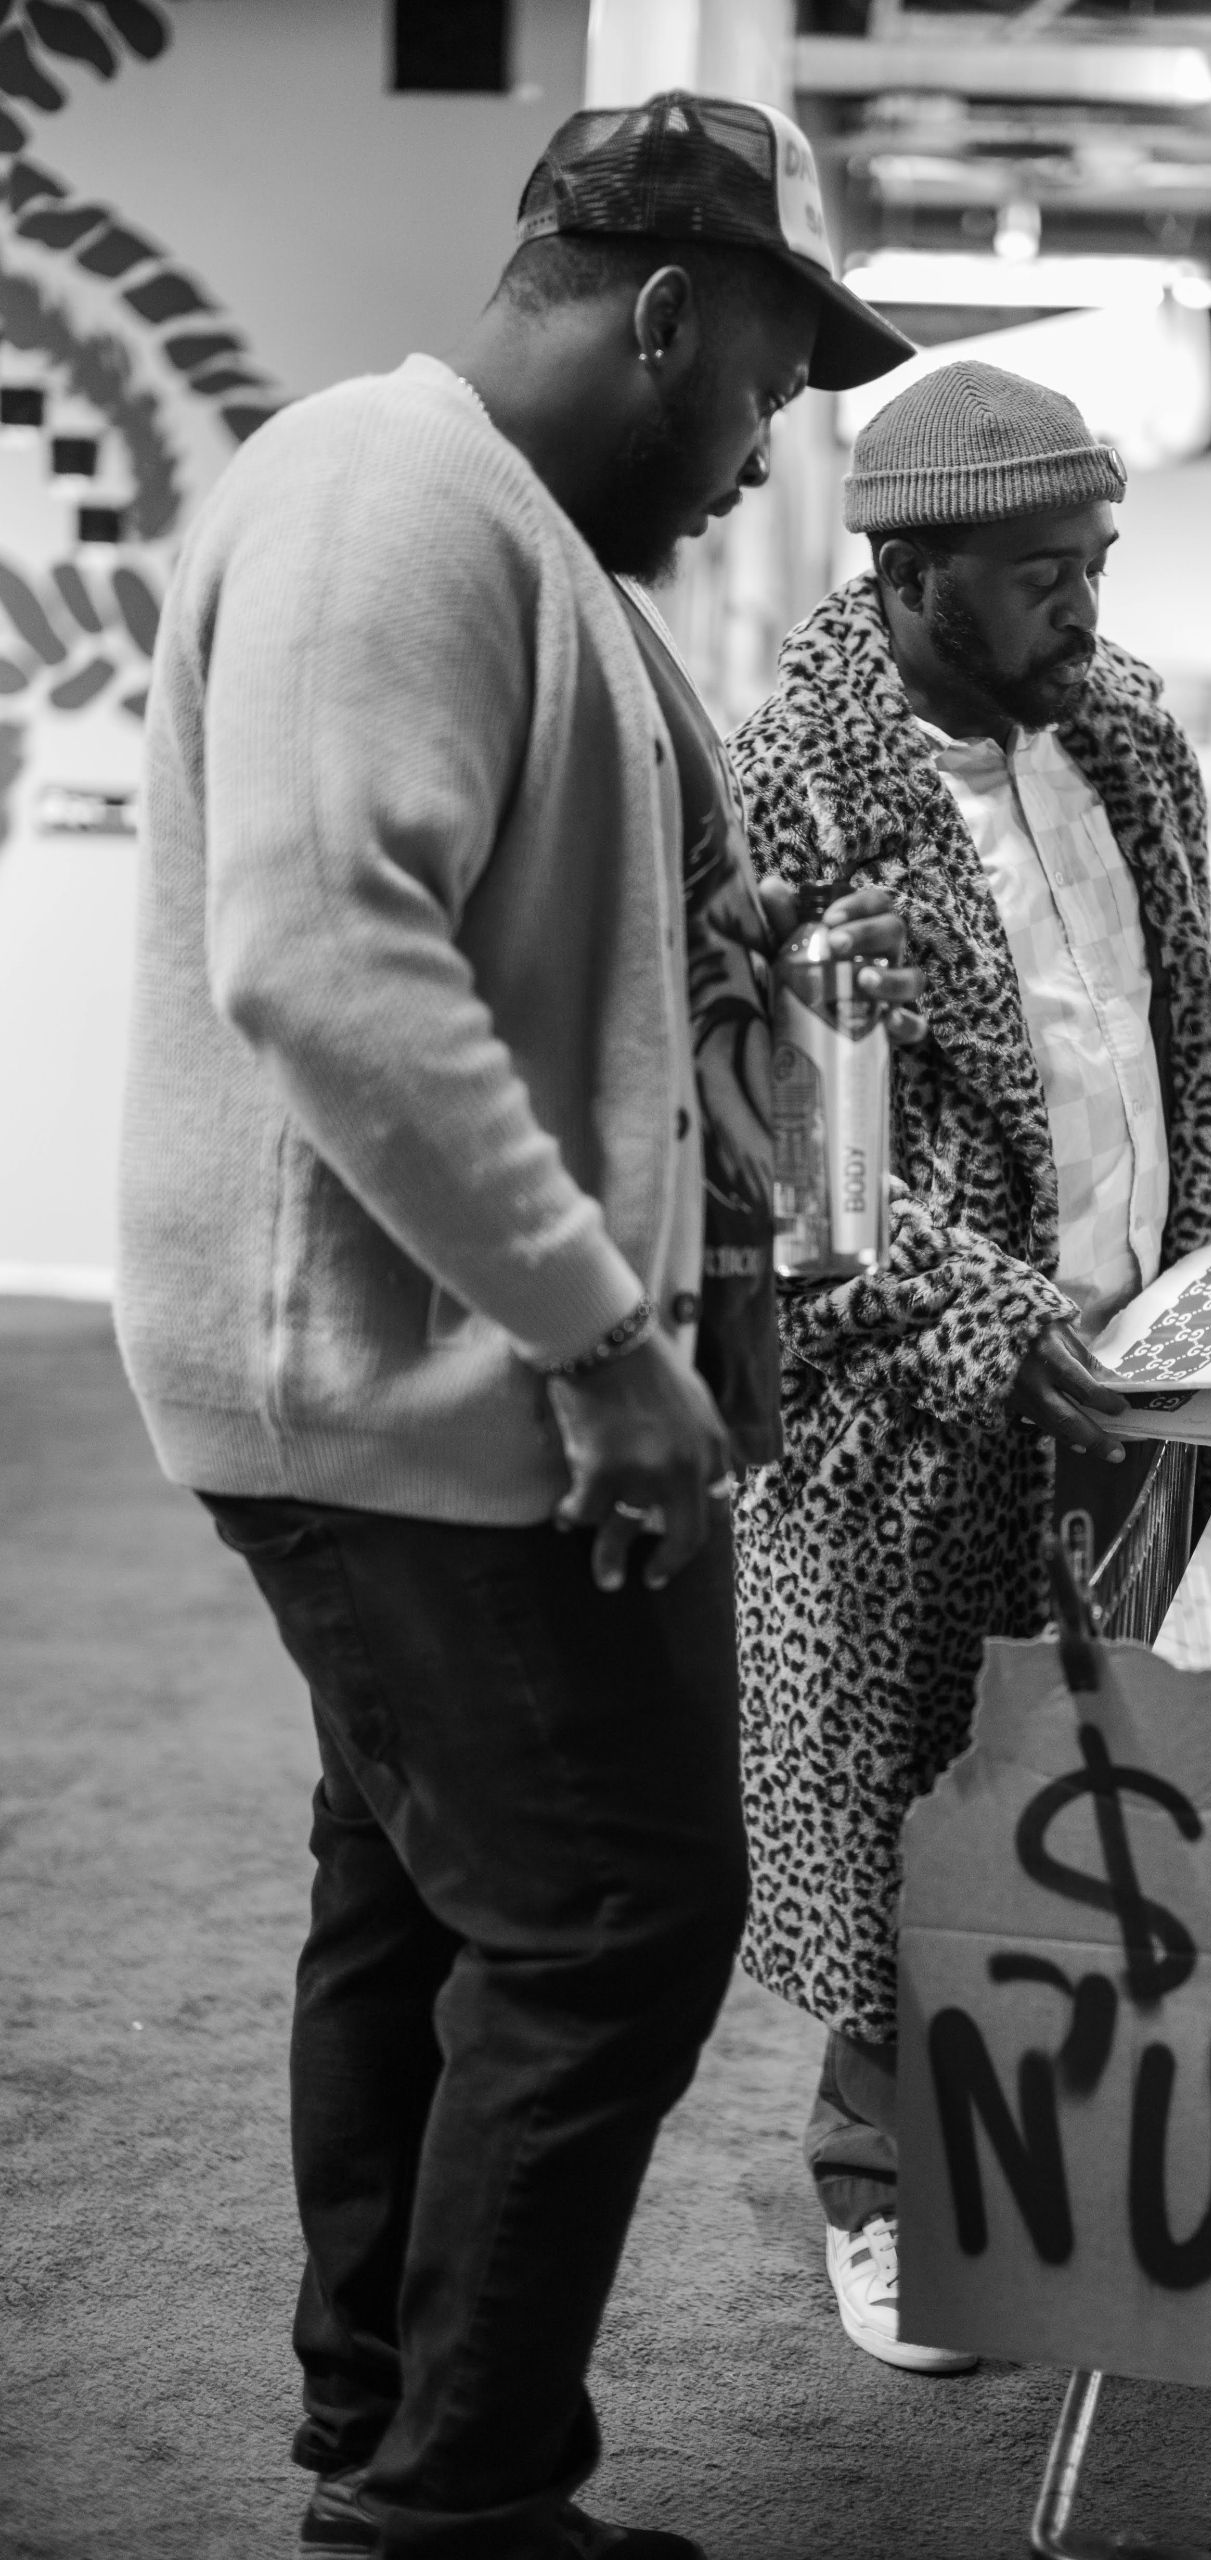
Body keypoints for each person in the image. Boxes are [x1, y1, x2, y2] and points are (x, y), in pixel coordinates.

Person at [115, 94, 914, 2560]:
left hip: (430, 1373)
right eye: (765, 384)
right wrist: (600, 1339)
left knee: (422, 1892)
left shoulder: (529, 547)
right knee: (618, 1910)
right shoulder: (392, 498)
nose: (764, 453)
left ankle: (388, 2419)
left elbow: (539, 933)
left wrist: (717, 1045)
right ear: (663, 314)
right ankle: (456, 2497)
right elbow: (322, 952)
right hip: (411, 1386)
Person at [727, 358, 1211, 2374]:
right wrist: (989, 1316)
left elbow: (1167, 1006)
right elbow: (820, 1183)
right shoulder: (803, 800)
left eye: (1099, 561)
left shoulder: (1117, 735)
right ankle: (883, 2189)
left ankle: (1072, 2149)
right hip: (919, 1425)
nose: (1087, 608)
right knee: (915, 1805)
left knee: (1109, 1795)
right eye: (1046, 574)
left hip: (1146, 1378)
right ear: (912, 575)